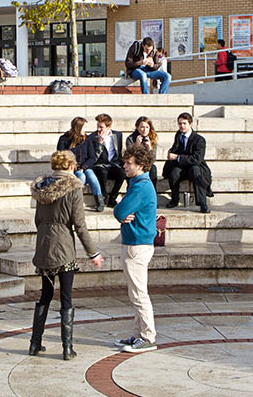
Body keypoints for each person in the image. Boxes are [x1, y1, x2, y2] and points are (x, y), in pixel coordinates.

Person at [28, 150, 105, 359]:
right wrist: (93, 252)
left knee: (45, 294)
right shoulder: (73, 188)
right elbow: (79, 224)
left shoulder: (42, 187)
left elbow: (37, 220)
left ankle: (35, 344)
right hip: (63, 247)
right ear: (71, 167)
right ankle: (67, 348)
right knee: (66, 296)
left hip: (44, 245)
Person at [111, 143, 158, 353]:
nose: (125, 166)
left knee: (139, 294)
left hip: (137, 245)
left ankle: (147, 336)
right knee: (135, 293)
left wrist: (121, 213)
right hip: (134, 243)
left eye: (128, 163)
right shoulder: (137, 184)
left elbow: (120, 211)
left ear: (140, 165)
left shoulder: (141, 186)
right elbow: (122, 211)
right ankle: (138, 334)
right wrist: (122, 212)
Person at [163, 112, 210, 213]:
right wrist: (171, 152)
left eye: (184, 123)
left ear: (190, 124)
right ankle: (175, 200)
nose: (182, 126)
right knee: (174, 173)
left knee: (195, 171)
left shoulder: (199, 140)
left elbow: (196, 159)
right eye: (180, 123)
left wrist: (177, 157)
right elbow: (176, 148)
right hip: (181, 166)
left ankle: (202, 203)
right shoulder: (178, 135)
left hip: (195, 166)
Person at [54, 117, 103, 211]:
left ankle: (100, 201)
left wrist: (84, 167)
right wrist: (74, 167)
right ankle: (75, 201)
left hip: (85, 166)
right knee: (81, 176)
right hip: (71, 168)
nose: (85, 130)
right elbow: (61, 156)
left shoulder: (87, 139)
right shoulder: (64, 139)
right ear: (78, 127)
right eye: (84, 127)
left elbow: (92, 157)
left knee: (91, 175)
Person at [87, 114, 126, 209]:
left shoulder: (117, 135)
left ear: (109, 127)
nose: (98, 129)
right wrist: (100, 144)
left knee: (122, 172)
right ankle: (104, 196)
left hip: (113, 164)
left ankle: (112, 198)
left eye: (101, 127)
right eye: (97, 126)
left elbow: (119, 153)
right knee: (102, 171)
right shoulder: (92, 137)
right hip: (100, 165)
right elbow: (94, 157)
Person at [123, 116, 165, 195]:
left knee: (153, 169)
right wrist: (137, 145)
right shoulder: (130, 139)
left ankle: (152, 193)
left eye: (147, 127)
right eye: (142, 127)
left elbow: (153, 159)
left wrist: (149, 148)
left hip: (146, 164)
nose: (144, 130)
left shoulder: (152, 139)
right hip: (135, 164)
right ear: (137, 127)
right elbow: (130, 157)